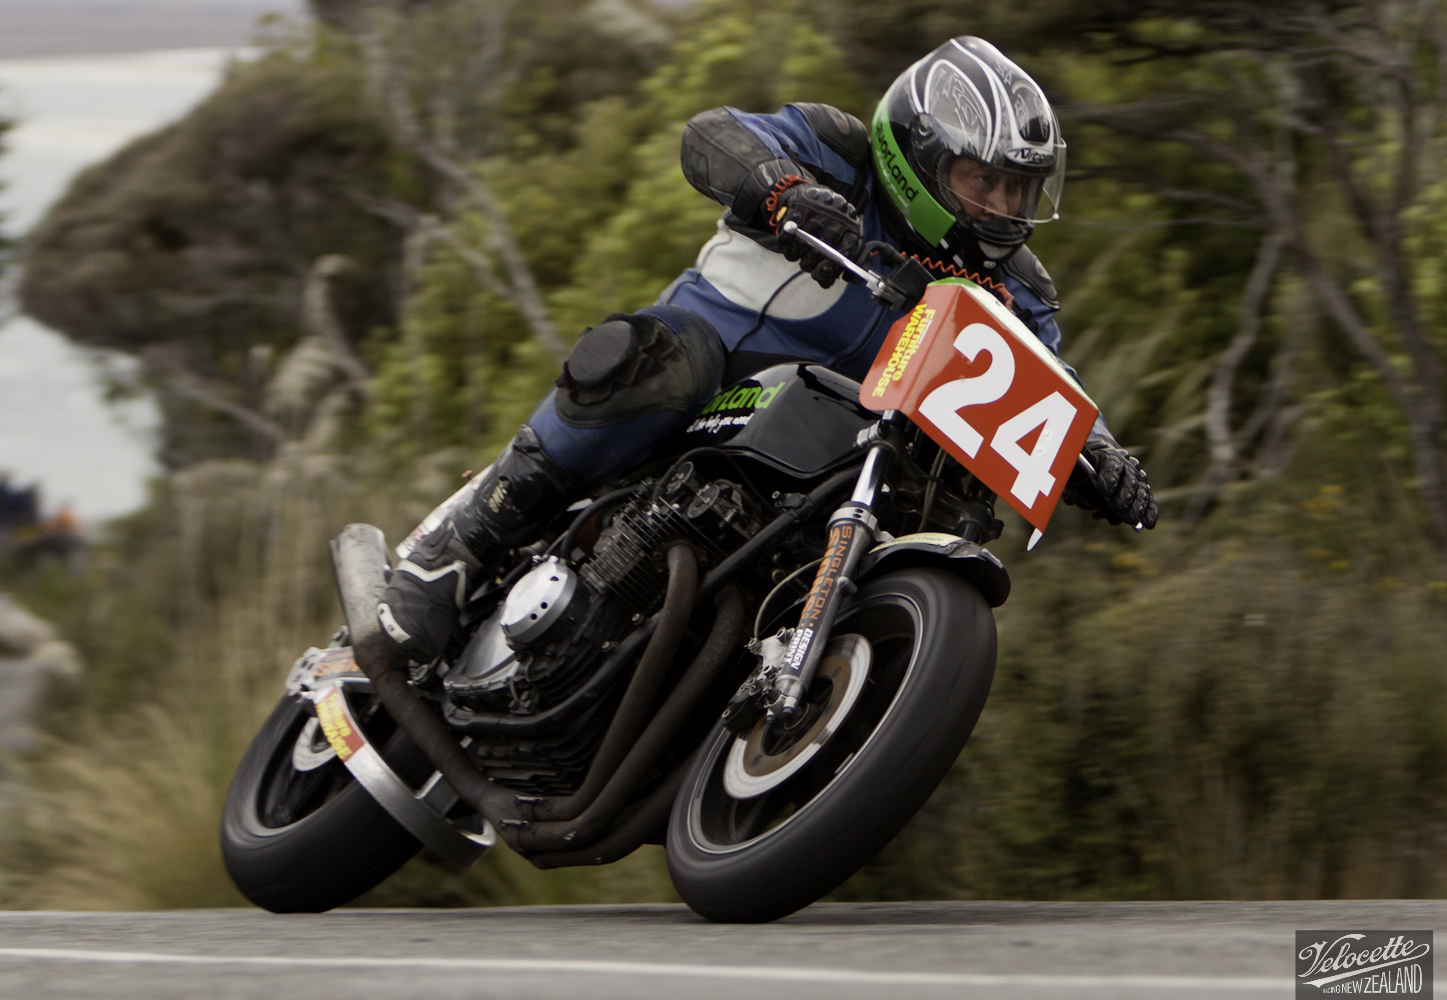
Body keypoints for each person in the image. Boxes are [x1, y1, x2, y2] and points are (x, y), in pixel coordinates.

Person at [377, 36, 1159, 664]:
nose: (998, 206)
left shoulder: (1018, 284)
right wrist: (785, 190)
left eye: (1014, 190)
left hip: (838, 451)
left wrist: (1097, 452)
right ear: (921, 157)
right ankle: (464, 543)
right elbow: (715, 135)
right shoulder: (838, 151)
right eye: (980, 179)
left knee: (949, 503)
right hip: (719, 373)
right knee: (658, 360)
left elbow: (1049, 377)